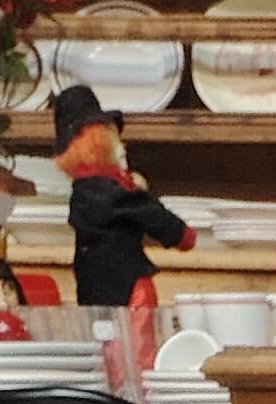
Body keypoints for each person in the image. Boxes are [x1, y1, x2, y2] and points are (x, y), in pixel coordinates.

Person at [51, 81, 196, 320]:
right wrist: (182, 234)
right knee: (136, 346)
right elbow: (152, 215)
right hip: (126, 288)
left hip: (93, 287)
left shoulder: (83, 191)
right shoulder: (114, 192)